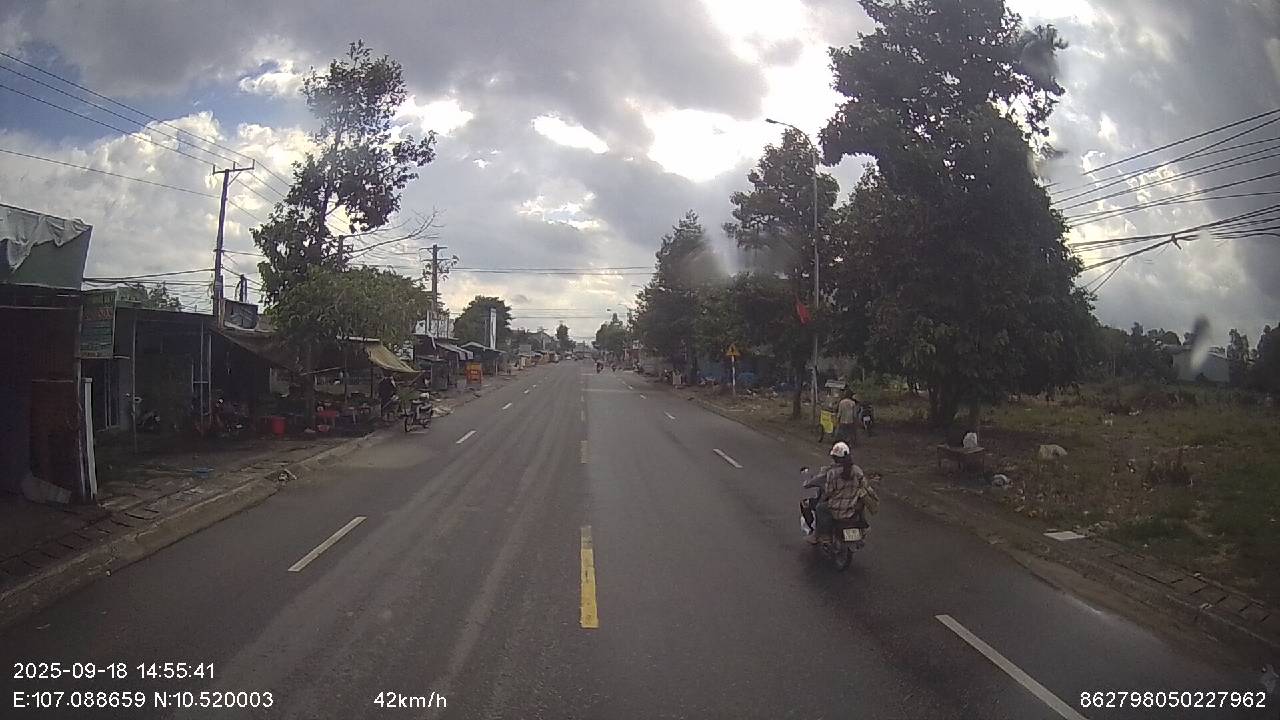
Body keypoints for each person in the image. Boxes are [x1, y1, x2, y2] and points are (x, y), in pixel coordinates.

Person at [802, 442, 876, 543]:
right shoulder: (857, 470)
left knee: (820, 508)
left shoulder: (832, 472)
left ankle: (821, 535)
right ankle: (864, 528)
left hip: (836, 509)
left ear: (835, 458)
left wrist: (823, 498)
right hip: (852, 508)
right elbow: (865, 486)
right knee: (860, 505)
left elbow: (828, 492)